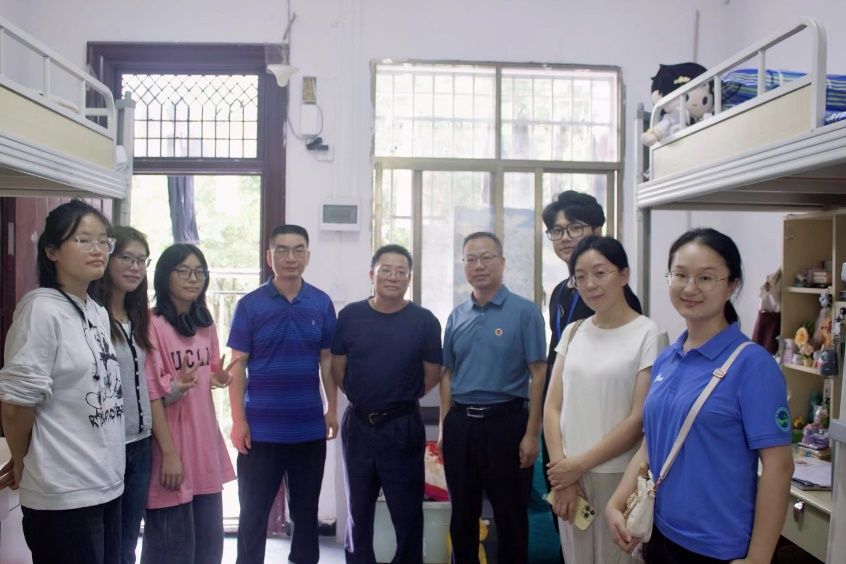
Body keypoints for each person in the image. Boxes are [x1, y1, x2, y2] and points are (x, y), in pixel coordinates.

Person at [606, 228, 794, 563]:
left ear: (732, 285)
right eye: (680, 275)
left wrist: (758, 558)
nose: (690, 288)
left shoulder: (753, 365)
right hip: (659, 532)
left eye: (706, 278)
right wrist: (616, 502)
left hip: (717, 546)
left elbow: (778, 467)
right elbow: (652, 443)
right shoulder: (667, 357)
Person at [0, 200, 124, 563]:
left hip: (105, 484)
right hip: (63, 493)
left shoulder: (96, 311)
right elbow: (15, 405)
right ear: (52, 251)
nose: (98, 249)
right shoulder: (41, 309)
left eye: (103, 241)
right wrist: (22, 460)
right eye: (83, 240)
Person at [543, 236, 667, 564]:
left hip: (621, 477)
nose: (590, 284)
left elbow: (639, 418)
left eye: (600, 273)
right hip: (569, 477)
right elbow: (551, 408)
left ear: (624, 275)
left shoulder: (649, 333)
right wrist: (562, 472)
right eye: (580, 277)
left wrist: (577, 466)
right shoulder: (573, 332)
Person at [227, 224, 337, 564]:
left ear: (307, 256)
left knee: (305, 512)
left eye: (298, 250)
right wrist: (238, 421)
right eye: (282, 250)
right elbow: (237, 366)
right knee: (253, 513)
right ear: (269, 256)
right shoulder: (250, 305)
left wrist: (332, 408)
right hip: (261, 430)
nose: (291, 257)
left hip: (308, 428)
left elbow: (327, 360)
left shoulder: (321, 302)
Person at [439, 231, 547, 564]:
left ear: (502, 263)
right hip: (461, 425)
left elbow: (539, 373)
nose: (479, 265)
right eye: (471, 259)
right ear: (463, 265)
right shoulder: (457, 315)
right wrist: (444, 426)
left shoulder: (525, 312)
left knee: (510, 515)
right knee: (462, 514)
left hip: (507, 423)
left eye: (486, 258)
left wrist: (532, 433)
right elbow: (447, 374)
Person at [331, 244, 443, 564]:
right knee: (358, 510)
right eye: (386, 270)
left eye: (400, 272)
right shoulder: (350, 316)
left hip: (402, 426)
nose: (393, 277)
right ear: (372, 274)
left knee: (407, 512)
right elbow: (338, 370)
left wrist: (396, 397)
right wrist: (366, 395)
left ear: (409, 278)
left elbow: (432, 375)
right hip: (359, 425)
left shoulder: (424, 321)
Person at [142, 244, 236, 564]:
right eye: (183, 271)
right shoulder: (151, 323)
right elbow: (153, 393)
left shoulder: (204, 322)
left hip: (204, 447)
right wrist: (169, 454)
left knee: (209, 549)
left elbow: (208, 372)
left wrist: (219, 377)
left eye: (199, 272)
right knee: (170, 550)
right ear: (164, 276)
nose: (193, 279)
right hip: (171, 448)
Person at [90, 226, 155, 564]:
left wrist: (177, 387)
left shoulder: (138, 315)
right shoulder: (91, 315)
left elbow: (140, 380)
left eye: (141, 261)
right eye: (126, 258)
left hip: (141, 443)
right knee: (103, 542)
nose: (134, 267)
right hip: (105, 444)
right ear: (108, 258)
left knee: (128, 541)